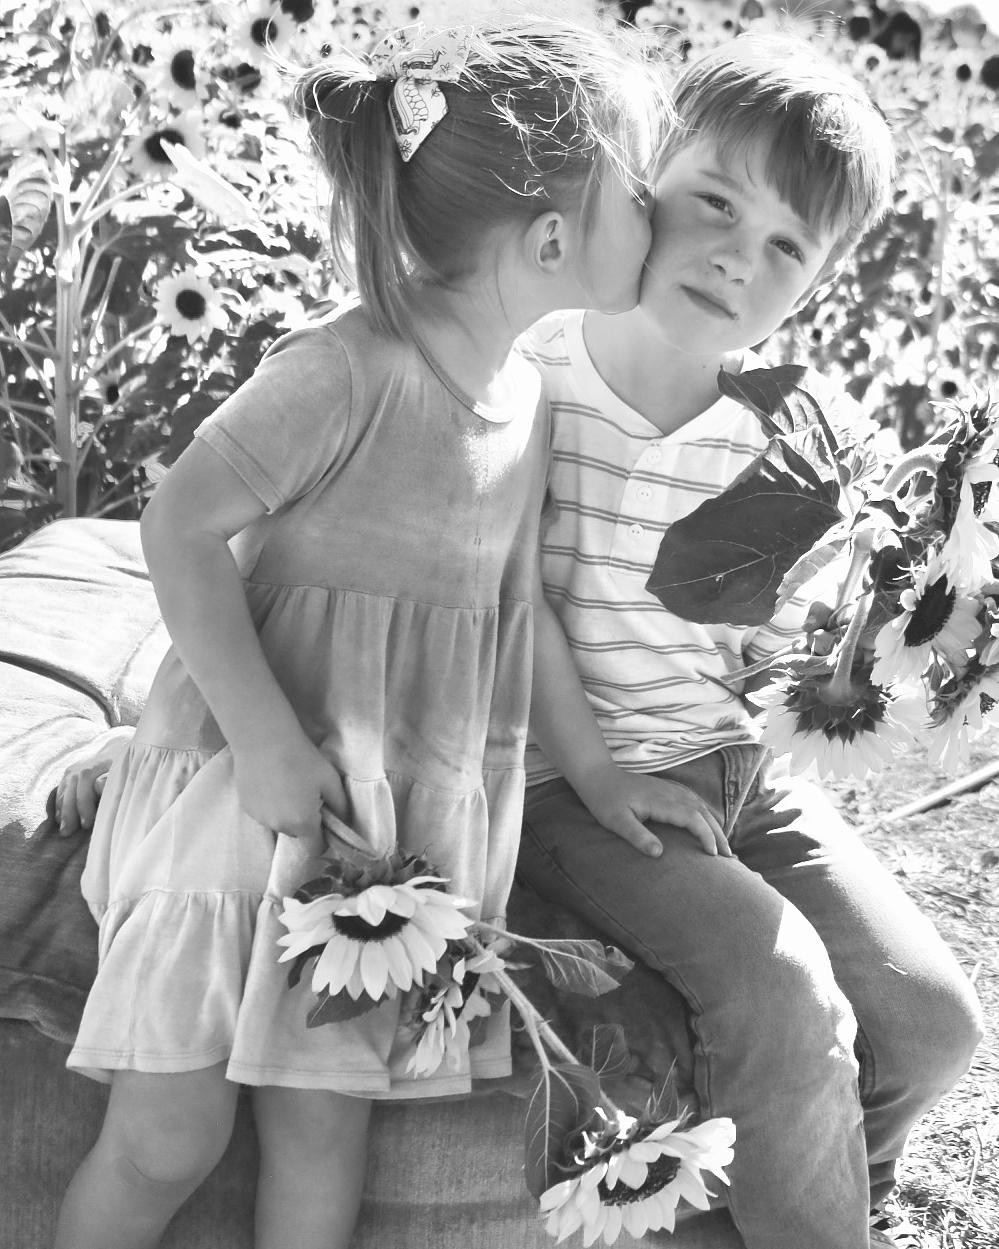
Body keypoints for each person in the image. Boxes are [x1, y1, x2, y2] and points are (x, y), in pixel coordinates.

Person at [51, 19, 676, 1249]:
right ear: (552, 240)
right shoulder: (347, 368)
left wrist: (597, 773)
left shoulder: (528, 399)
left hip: (380, 848)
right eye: (641, 195)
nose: (660, 217)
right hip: (242, 797)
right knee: (170, 1133)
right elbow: (179, 526)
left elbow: (519, 611)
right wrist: (264, 742)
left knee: (323, 1131)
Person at [517, 32, 984, 1249]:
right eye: (716, 203)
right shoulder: (531, 376)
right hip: (566, 782)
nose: (737, 256)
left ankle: (804, 1190)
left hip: (737, 773)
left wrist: (888, 623)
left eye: (787, 246)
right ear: (642, 177)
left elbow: (795, 656)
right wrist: (601, 773)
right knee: (781, 995)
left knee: (933, 1025)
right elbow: (503, 604)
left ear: (821, 279)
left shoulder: (805, 431)